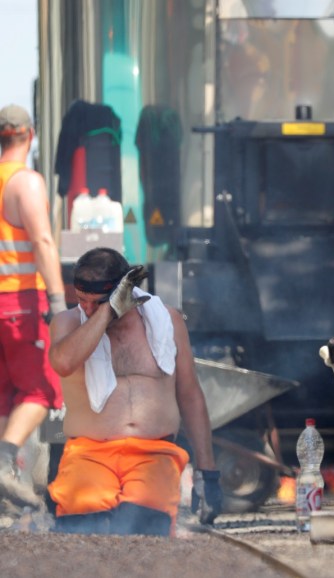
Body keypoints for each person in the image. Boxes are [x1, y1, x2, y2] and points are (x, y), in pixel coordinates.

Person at [47, 247, 222, 535]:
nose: (87, 309)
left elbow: (190, 395)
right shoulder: (67, 323)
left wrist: (208, 473)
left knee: (143, 528)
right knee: (83, 529)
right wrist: (105, 312)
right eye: (82, 301)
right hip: (89, 453)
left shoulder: (167, 320)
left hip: (154, 454)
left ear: (125, 292)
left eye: (97, 302)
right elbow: (64, 363)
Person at [0, 104, 67, 510]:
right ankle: (6, 461)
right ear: (31, 133)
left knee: (6, 395)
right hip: (21, 299)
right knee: (43, 389)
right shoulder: (25, 182)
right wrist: (58, 302)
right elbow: (42, 241)